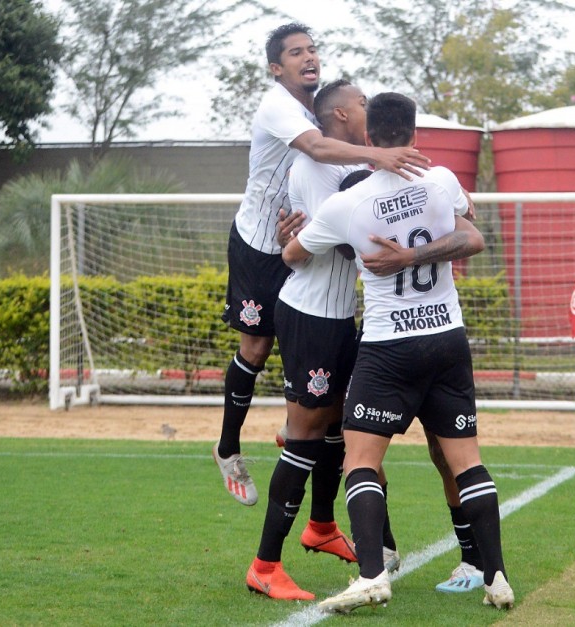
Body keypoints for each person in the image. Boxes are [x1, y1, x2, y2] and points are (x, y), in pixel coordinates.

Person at [283, 92, 515, 613]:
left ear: (367, 140)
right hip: (447, 338)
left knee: (360, 462)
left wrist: (298, 235)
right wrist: (418, 252)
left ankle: (371, 576)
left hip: (389, 346)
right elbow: (470, 232)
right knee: (466, 461)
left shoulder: (348, 203)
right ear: (416, 135)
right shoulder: (443, 180)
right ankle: (496, 577)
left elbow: (292, 254)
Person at [213, 22, 430, 507]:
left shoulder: (320, 110)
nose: (308, 57)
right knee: (256, 346)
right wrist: (383, 153)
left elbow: (347, 173)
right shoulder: (278, 106)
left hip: (293, 244)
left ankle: (297, 429)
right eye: (295, 52)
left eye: (312, 49)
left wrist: (445, 200)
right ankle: (228, 448)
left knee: (304, 334)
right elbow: (315, 148)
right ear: (276, 68)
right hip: (256, 243)